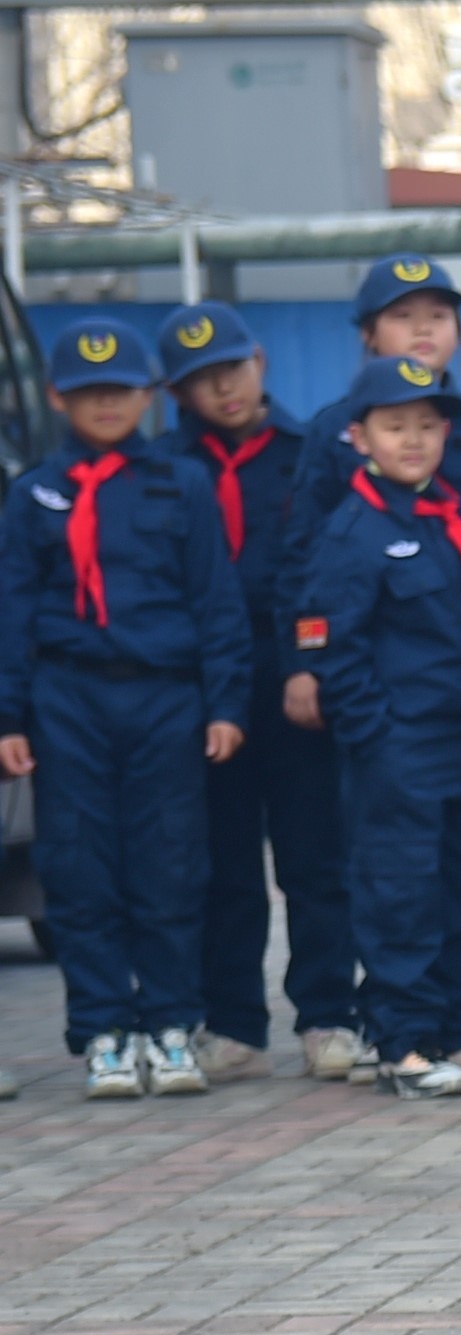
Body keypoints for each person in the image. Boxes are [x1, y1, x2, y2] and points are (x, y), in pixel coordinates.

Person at [286, 254, 461, 1083]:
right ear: (360, 437)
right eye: (396, 428)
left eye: (428, 428)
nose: (414, 439)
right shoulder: (352, 522)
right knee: (399, 888)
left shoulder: (454, 509)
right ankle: (401, 1039)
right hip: (401, 741)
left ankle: (460, 1027)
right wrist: (372, 729)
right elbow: (331, 627)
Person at [0, 320, 252, 1100]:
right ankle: (104, 1031)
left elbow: (216, 600)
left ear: (148, 396)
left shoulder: (182, 484)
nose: (105, 405)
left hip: (165, 695)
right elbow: (12, 609)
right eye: (88, 393)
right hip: (67, 697)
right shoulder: (33, 493)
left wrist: (226, 703)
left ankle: (172, 1024)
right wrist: (9, 716)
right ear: (56, 397)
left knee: (170, 863)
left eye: (120, 391)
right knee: (79, 868)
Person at [159, 301, 361, 1082]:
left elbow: (326, 567)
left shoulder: (311, 452)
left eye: (233, 369)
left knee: (315, 856)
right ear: (178, 393)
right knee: (223, 859)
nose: (224, 388)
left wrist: (312, 660)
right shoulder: (165, 467)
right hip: (205, 681)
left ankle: (328, 1015)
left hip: (292, 673)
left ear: (260, 364)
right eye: (203, 379)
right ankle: (234, 1022)